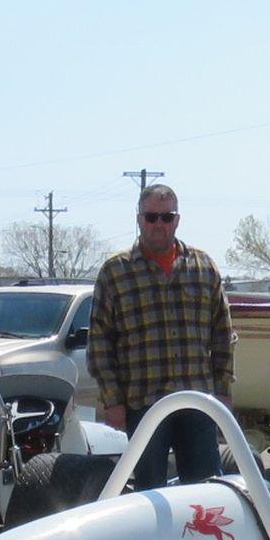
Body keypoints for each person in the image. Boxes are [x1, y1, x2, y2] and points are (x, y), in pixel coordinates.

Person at [87, 184, 234, 489]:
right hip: (143, 403)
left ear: (177, 220)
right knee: (148, 493)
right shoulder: (115, 272)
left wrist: (222, 389)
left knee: (205, 493)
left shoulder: (203, 267)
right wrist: (113, 400)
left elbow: (222, 332)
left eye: (166, 217)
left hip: (197, 401)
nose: (159, 225)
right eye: (151, 217)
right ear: (139, 219)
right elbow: (100, 342)